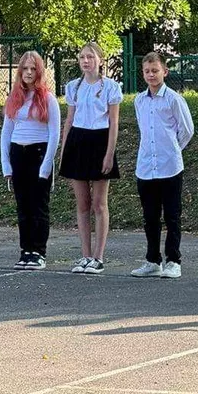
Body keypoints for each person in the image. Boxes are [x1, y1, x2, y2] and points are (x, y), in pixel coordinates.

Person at [59, 42, 122, 275]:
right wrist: (64, 150)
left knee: (99, 203)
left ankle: (98, 257)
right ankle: (85, 255)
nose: (86, 61)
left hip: (100, 141)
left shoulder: (111, 87)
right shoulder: (73, 87)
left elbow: (113, 122)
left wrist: (109, 154)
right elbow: (69, 119)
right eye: (82, 57)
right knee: (82, 203)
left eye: (90, 57)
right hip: (78, 141)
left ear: (100, 60)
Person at [130, 52, 194, 280]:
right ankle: (152, 260)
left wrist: (173, 149)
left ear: (164, 72)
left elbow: (187, 130)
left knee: (172, 215)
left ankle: (173, 260)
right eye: (147, 71)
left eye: (155, 71)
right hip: (146, 167)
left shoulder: (174, 99)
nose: (151, 75)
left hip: (170, 167)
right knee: (150, 217)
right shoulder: (139, 100)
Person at [0, 51, 61, 270]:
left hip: (39, 152)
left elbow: (54, 133)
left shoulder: (48, 98)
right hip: (19, 153)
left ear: (39, 72)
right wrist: (6, 164)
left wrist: (46, 165)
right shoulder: (14, 98)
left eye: (33, 69)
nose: (28, 73)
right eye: (24, 69)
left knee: (38, 206)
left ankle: (38, 252)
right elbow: (6, 132)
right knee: (23, 206)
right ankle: (25, 250)